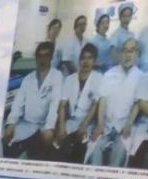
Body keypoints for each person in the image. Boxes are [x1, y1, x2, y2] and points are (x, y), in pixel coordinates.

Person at [88, 37, 143, 165]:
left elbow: (137, 103)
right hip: (106, 126)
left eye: (131, 51)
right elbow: (102, 100)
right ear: (120, 54)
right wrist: (100, 125)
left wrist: (128, 124)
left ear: (137, 54)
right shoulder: (109, 74)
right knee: (95, 151)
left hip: (125, 126)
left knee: (118, 155)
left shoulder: (141, 76)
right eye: (125, 50)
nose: (128, 55)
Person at [3, 42, 63, 160]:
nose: (42, 59)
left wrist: (49, 128)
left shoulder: (57, 76)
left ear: (51, 57)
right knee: (6, 138)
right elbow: (18, 104)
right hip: (27, 124)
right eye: (39, 56)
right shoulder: (27, 79)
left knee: (44, 142)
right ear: (36, 58)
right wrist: (11, 123)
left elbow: (55, 105)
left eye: (46, 55)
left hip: (44, 125)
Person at [54, 43, 104, 162]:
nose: (86, 61)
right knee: (58, 146)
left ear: (94, 61)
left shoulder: (98, 78)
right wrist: (62, 126)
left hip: (88, 122)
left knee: (81, 147)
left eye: (89, 58)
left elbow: (94, 105)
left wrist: (84, 125)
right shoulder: (69, 79)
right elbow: (63, 105)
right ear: (79, 60)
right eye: (83, 58)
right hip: (71, 121)